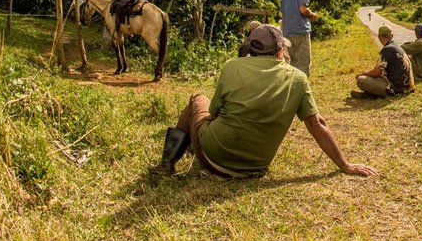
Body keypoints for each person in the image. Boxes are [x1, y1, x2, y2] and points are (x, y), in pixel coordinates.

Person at [153, 24, 375, 178]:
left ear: (249, 48)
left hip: (214, 158)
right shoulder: (298, 78)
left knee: (196, 99)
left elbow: (214, 111)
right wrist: (345, 165)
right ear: (280, 50)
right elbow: (317, 125)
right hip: (256, 166)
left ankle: (167, 163)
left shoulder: (232, 66)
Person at [280, 0, 319, 76]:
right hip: (300, 29)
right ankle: (301, 91)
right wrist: (313, 15)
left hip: (287, 30)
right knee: (303, 64)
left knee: (290, 64)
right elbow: (303, 9)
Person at [352, 25, 414, 98]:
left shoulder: (387, 49)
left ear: (379, 37)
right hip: (408, 87)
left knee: (361, 80)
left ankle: (372, 96)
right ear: (392, 36)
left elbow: (377, 72)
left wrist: (363, 74)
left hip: (397, 90)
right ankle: (371, 95)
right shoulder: (397, 47)